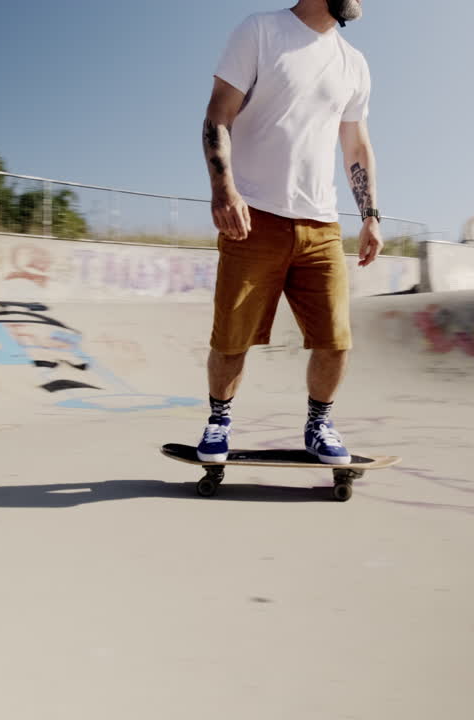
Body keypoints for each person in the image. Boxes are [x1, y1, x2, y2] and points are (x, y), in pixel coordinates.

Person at [197, 0, 383, 465]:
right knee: (232, 337)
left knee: (335, 339)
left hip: (322, 225)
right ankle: (219, 420)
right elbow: (218, 115)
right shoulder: (260, 31)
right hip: (253, 216)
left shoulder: (353, 64)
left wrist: (371, 214)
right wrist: (224, 190)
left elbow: (356, 143)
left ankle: (319, 424)